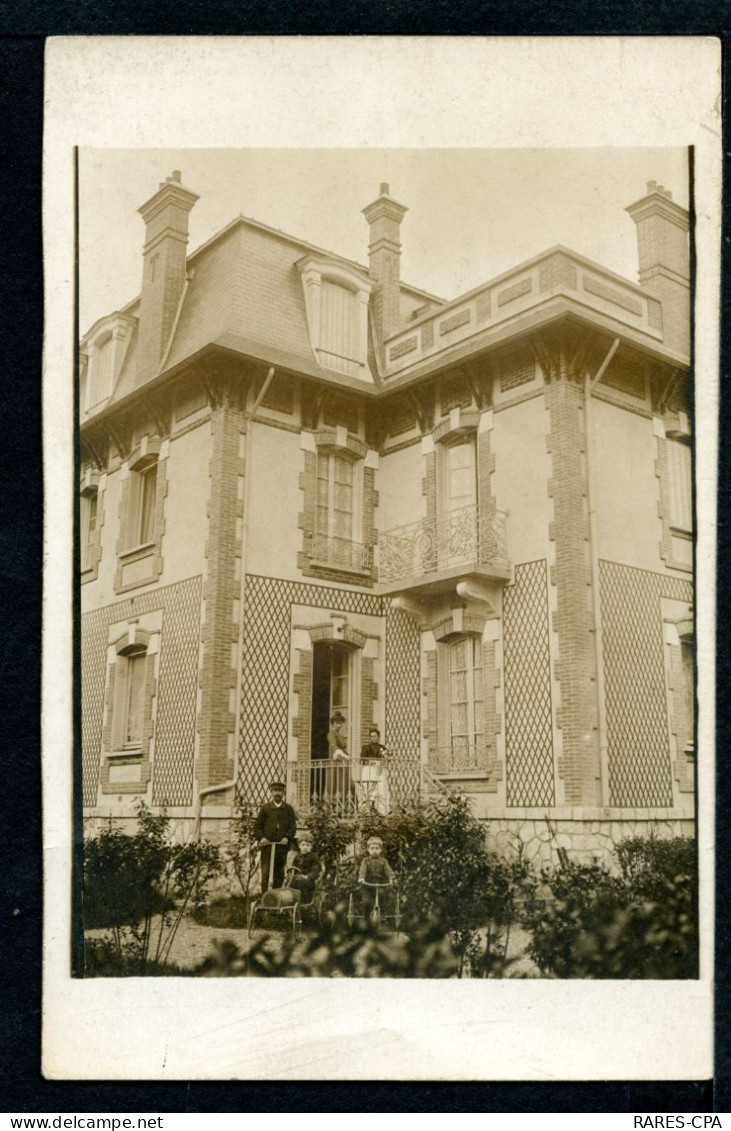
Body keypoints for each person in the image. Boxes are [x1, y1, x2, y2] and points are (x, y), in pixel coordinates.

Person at [253, 780, 297, 892]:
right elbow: (257, 826)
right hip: (267, 847)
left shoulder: (288, 809)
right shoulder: (265, 808)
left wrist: (287, 837)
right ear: (271, 792)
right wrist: (262, 837)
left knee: (279, 873)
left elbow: (292, 827)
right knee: (266, 873)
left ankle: (276, 899)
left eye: (280, 791)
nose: (277, 793)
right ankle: (265, 899)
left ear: (283, 793)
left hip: (281, 847)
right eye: (275, 791)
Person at [357, 834, 396, 919]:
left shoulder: (383, 861)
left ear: (380, 850)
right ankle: (366, 919)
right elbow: (362, 870)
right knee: (366, 902)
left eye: (377, 848)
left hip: (380, 884)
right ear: (368, 850)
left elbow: (388, 870)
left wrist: (391, 878)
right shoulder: (365, 860)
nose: (374, 850)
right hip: (367, 885)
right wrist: (361, 878)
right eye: (372, 848)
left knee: (383, 895)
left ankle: (382, 913)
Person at [358, 726, 390, 813]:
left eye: (375, 736)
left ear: (378, 737)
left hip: (379, 770)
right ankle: (366, 810)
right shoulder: (366, 747)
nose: (373, 738)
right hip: (368, 770)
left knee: (381, 787)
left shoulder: (382, 747)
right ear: (369, 737)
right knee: (368, 788)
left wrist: (382, 761)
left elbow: (385, 759)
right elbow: (362, 759)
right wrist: (373, 762)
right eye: (371, 736)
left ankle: (381, 809)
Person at [326, 712, 353, 812]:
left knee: (346, 784)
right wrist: (344, 755)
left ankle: (344, 807)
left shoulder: (340, 735)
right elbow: (334, 747)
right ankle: (331, 808)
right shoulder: (331, 734)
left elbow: (342, 748)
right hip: (335, 763)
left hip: (342, 764)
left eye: (341, 723)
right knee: (334, 785)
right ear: (333, 723)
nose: (339, 725)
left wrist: (348, 755)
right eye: (337, 723)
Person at [286, 832, 322, 905]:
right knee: (289, 884)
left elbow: (316, 870)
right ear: (299, 846)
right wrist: (291, 874)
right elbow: (294, 868)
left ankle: (303, 902)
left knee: (302, 885)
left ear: (311, 847)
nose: (305, 847)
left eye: (308, 845)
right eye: (303, 845)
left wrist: (307, 876)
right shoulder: (297, 857)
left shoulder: (314, 857)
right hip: (298, 878)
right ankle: (290, 901)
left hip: (308, 880)